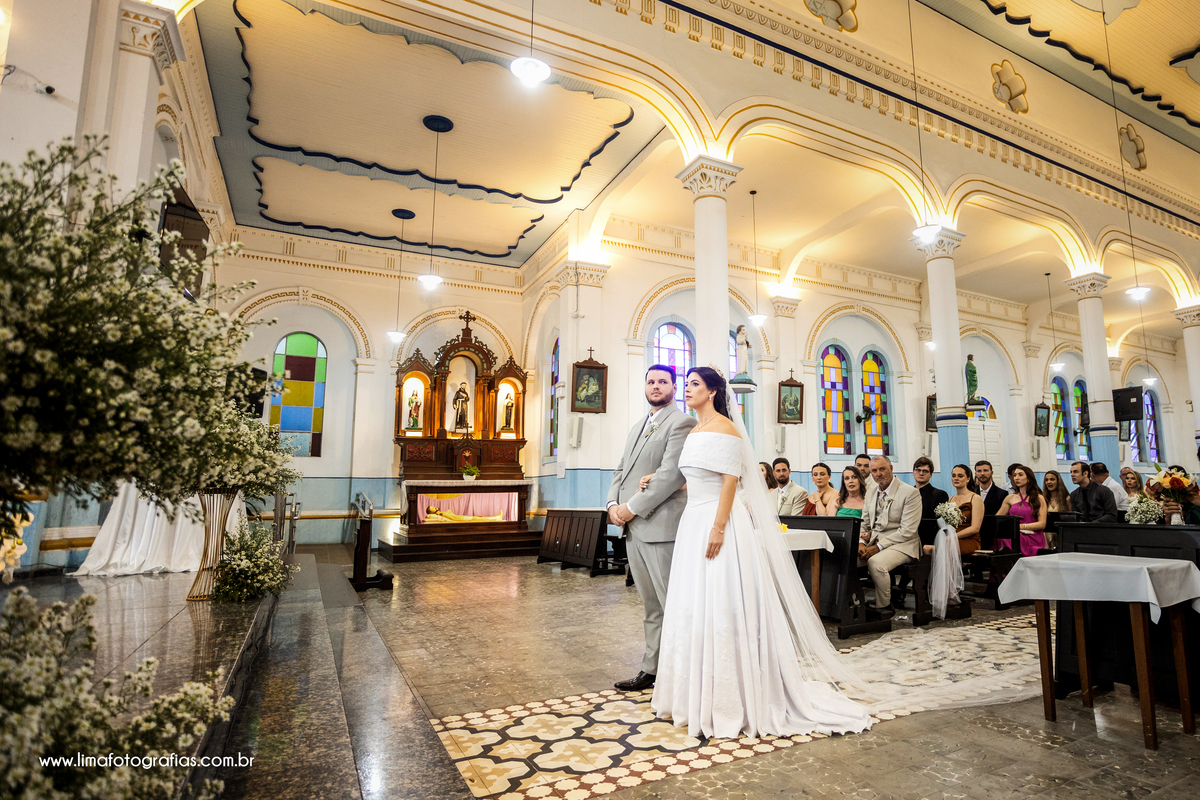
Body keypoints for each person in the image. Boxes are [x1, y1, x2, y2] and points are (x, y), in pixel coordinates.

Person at [651, 366, 871, 738]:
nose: (686, 390)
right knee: (694, 602)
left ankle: (731, 696)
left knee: (721, 601)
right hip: (694, 520)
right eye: (686, 384)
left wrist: (719, 527)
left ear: (713, 391)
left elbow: (729, 482)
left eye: (693, 385)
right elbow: (697, 480)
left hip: (718, 522)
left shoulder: (725, 428)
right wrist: (671, 489)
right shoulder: (694, 429)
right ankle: (692, 693)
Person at [606, 365, 697, 692]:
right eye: (651, 381)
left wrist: (629, 509)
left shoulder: (682, 423)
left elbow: (671, 475)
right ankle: (651, 668)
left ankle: (682, 671)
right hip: (634, 528)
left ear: (674, 387)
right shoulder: (638, 425)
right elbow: (621, 469)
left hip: (661, 527)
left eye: (663, 381)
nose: (656, 386)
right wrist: (612, 506)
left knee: (671, 602)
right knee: (650, 605)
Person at [859, 456, 922, 619]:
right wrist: (860, 542)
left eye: (882, 469)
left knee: (876, 562)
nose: (878, 474)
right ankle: (852, 604)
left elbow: (907, 531)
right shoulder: (871, 492)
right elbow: (864, 522)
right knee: (850, 558)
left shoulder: (910, 493)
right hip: (875, 541)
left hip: (904, 545)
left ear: (891, 468)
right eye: (874, 471)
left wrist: (877, 547)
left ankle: (884, 607)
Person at [923, 464, 983, 556]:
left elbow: (975, 528)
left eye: (960, 476)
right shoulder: (951, 499)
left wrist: (953, 537)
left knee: (942, 547)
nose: (956, 478)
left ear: (968, 479)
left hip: (969, 539)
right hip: (951, 538)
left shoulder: (975, 498)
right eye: (953, 476)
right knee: (926, 548)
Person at [998, 465, 1047, 556]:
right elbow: (998, 519)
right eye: (1015, 475)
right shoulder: (1010, 498)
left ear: (1028, 478)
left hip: (1032, 535)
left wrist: (1020, 527)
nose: (1016, 478)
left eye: (1020, 475)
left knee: (1013, 539)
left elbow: (1042, 523)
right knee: (1002, 538)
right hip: (1014, 534)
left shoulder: (1038, 498)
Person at [912, 456, 949, 522]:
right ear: (913, 472)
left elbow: (939, 521)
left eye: (925, 471)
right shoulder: (907, 493)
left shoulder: (940, 495)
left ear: (931, 474)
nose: (921, 473)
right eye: (918, 470)